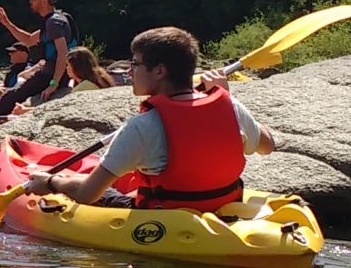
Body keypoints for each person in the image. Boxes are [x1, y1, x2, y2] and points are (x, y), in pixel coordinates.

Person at [22, 27, 278, 211]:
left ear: (159, 71)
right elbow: (268, 145)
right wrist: (226, 100)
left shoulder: (141, 127)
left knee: (101, 191)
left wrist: (52, 182)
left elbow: (88, 193)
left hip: (162, 219)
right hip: (220, 208)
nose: (128, 71)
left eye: (135, 64)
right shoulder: (228, 106)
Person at [35, 46, 112, 103]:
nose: (66, 68)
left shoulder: (83, 88)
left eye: (68, 65)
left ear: (76, 66)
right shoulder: (96, 79)